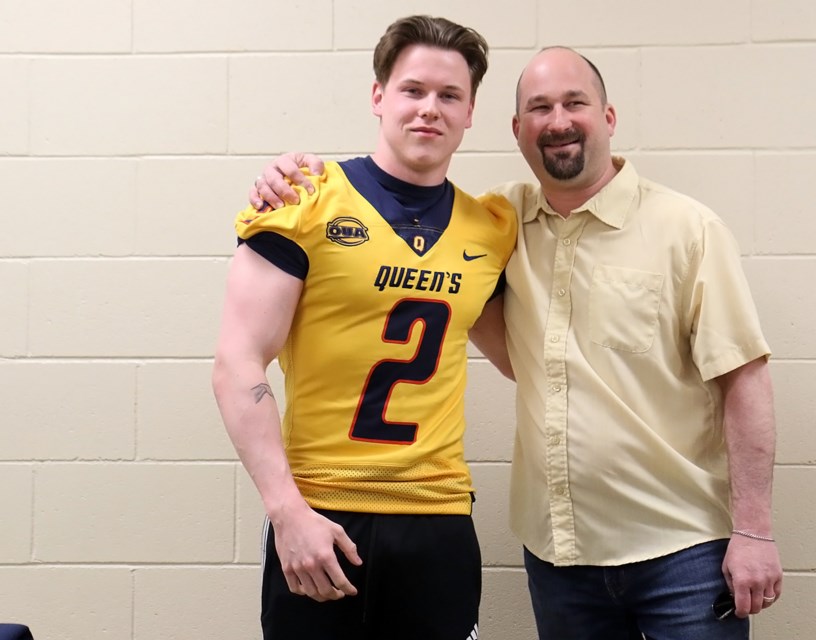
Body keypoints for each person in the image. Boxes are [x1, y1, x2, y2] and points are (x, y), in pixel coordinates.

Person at [250, 46, 782, 640]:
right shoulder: (496, 221)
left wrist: (754, 529)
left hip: (679, 547)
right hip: (559, 553)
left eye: (575, 103)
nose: (558, 121)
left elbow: (745, 377)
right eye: (539, 107)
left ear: (608, 117)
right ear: (516, 129)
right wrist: (292, 170)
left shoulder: (688, 229)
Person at [212, 15, 516, 640]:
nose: (429, 109)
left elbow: (523, 357)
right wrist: (286, 510)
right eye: (413, 90)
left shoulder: (490, 227)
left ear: (470, 112)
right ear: (379, 97)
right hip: (324, 512)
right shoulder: (304, 200)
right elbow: (236, 364)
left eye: (449, 95)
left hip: (438, 515)